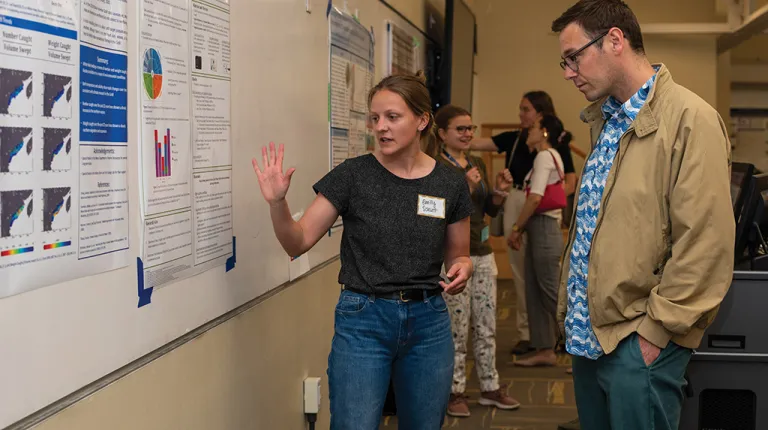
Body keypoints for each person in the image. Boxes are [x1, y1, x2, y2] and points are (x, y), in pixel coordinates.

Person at [251, 72, 475, 429]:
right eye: (375, 118)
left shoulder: (449, 182)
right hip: (364, 320)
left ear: (421, 120)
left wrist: (464, 267)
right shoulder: (353, 176)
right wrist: (278, 204)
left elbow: (459, 254)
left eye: (392, 117)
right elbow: (297, 242)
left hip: (428, 321)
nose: (381, 127)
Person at [551, 1, 735, 429]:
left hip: (637, 342)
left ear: (614, 40)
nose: (567, 72)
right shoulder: (606, 121)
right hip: (588, 337)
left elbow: (705, 244)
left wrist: (654, 334)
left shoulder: (691, 120)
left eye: (573, 57)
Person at [427, 104, 520, 417]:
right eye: (460, 129)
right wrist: (464, 187)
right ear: (442, 134)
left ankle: (490, 386)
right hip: (452, 258)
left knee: (487, 324)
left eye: (470, 128)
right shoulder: (434, 167)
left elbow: (487, 213)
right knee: (456, 328)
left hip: (482, 255)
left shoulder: (477, 161)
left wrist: (498, 193)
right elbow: (431, 214)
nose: (468, 134)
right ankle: (454, 392)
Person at [470, 91, 575, 356]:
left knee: (544, 279)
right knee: (523, 273)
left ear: (540, 117)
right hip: (519, 200)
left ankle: (560, 336)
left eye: (525, 109)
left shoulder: (551, 148)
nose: (520, 114)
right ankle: (532, 335)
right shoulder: (517, 139)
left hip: (537, 209)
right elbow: (480, 143)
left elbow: (563, 183)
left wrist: (555, 198)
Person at [508, 114, 567, 368]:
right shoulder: (546, 156)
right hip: (539, 228)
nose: (527, 132)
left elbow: (535, 198)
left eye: (532, 128)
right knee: (535, 290)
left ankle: (584, 351)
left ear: (544, 132)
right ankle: (545, 349)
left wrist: (516, 227)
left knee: (551, 292)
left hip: (543, 228)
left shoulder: (545, 156)